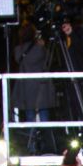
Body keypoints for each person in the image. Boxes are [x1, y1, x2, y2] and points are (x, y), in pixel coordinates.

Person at [13, 25, 56, 153]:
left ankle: (31, 147)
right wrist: (42, 46)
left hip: (26, 88)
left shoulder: (18, 50)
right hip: (42, 87)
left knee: (30, 117)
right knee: (44, 118)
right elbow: (49, 60)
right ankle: (47, 146)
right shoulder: (40, 49)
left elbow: (17, 60)